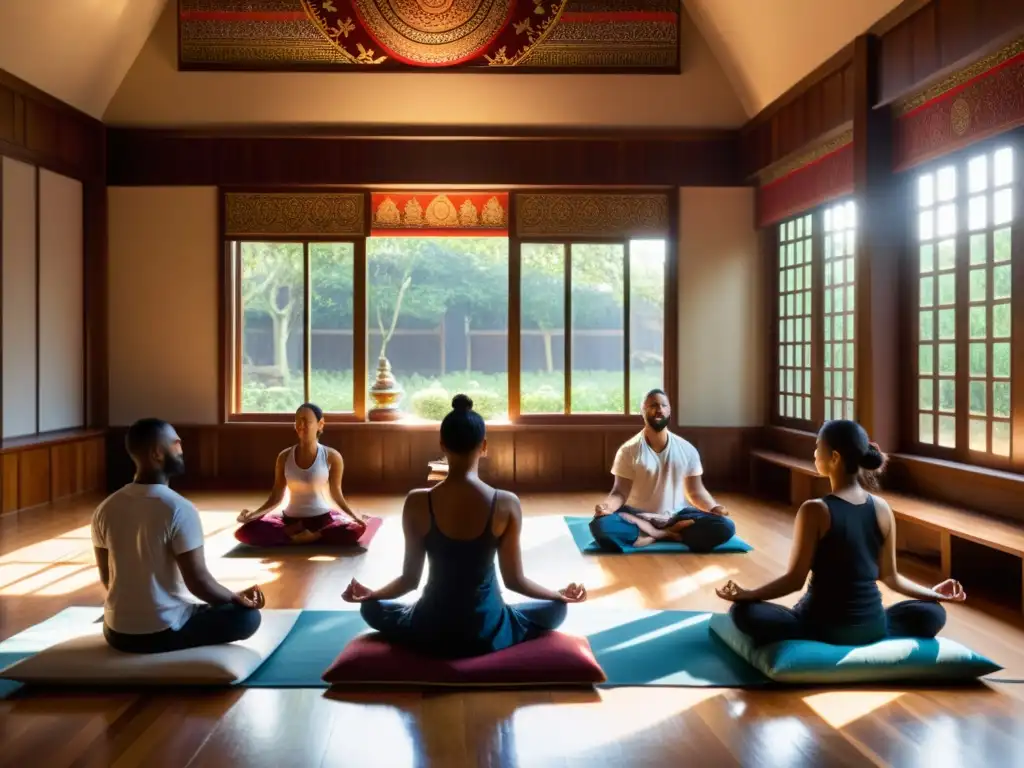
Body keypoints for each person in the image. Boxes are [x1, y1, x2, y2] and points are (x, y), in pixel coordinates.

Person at [342, 394, 587, 658]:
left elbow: (409, 581)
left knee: (370, 608)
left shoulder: (417, 502)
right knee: (557, 609)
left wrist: (372, 594)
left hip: (431, 628)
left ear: (442, 445)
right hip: (487, 629)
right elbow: (515, 580)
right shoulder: (506, 503)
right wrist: (557, 594)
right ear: (484, 446)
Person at [716, 419, 964, 646]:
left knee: (743, 613)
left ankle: (806, 629)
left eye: (817, 447)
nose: (814, 453)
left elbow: (794, 580)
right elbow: (892, 578)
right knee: (934, 612)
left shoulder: (815, 510)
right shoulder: (882, 508)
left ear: (834, 457)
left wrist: (747, 595)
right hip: (872, 628)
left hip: (820, 627)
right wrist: (932, 594)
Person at [92, 418, 264, 654]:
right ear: (157, 453)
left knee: (214, 604)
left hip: (116, 632)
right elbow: (199, 583)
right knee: (248, 617)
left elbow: (108, 580)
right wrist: (235, 600)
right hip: (160, 632)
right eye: (175, 443)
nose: (182, 448)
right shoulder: (177, 508)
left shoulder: (105, 508)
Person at [589, 388, 736, 551]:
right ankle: (660, 534)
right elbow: (620, 493)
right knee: (600, 526)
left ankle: (650, 535)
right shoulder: (628, 450)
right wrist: (607, 507)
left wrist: (713, 507)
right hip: (636, 516)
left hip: (677, 517)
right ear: (643, 411)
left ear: (669, 411)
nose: (659, 409)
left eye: (663, 405)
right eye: (653, 405)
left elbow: (695, 492)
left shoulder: (687, 449)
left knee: (725, 526)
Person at [235, 403, 368, 546]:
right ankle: (298, 533)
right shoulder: (284, 456)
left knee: (355, 527)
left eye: (307, 421)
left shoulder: (332, 456)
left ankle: (313, 535)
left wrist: (353, 516)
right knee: (246, 531)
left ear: (320, 424)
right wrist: (253, 516)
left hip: (321, 519)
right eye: (298, 421)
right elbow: (276, 497)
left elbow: (336, 494)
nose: (301, 425)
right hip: (290, 521)